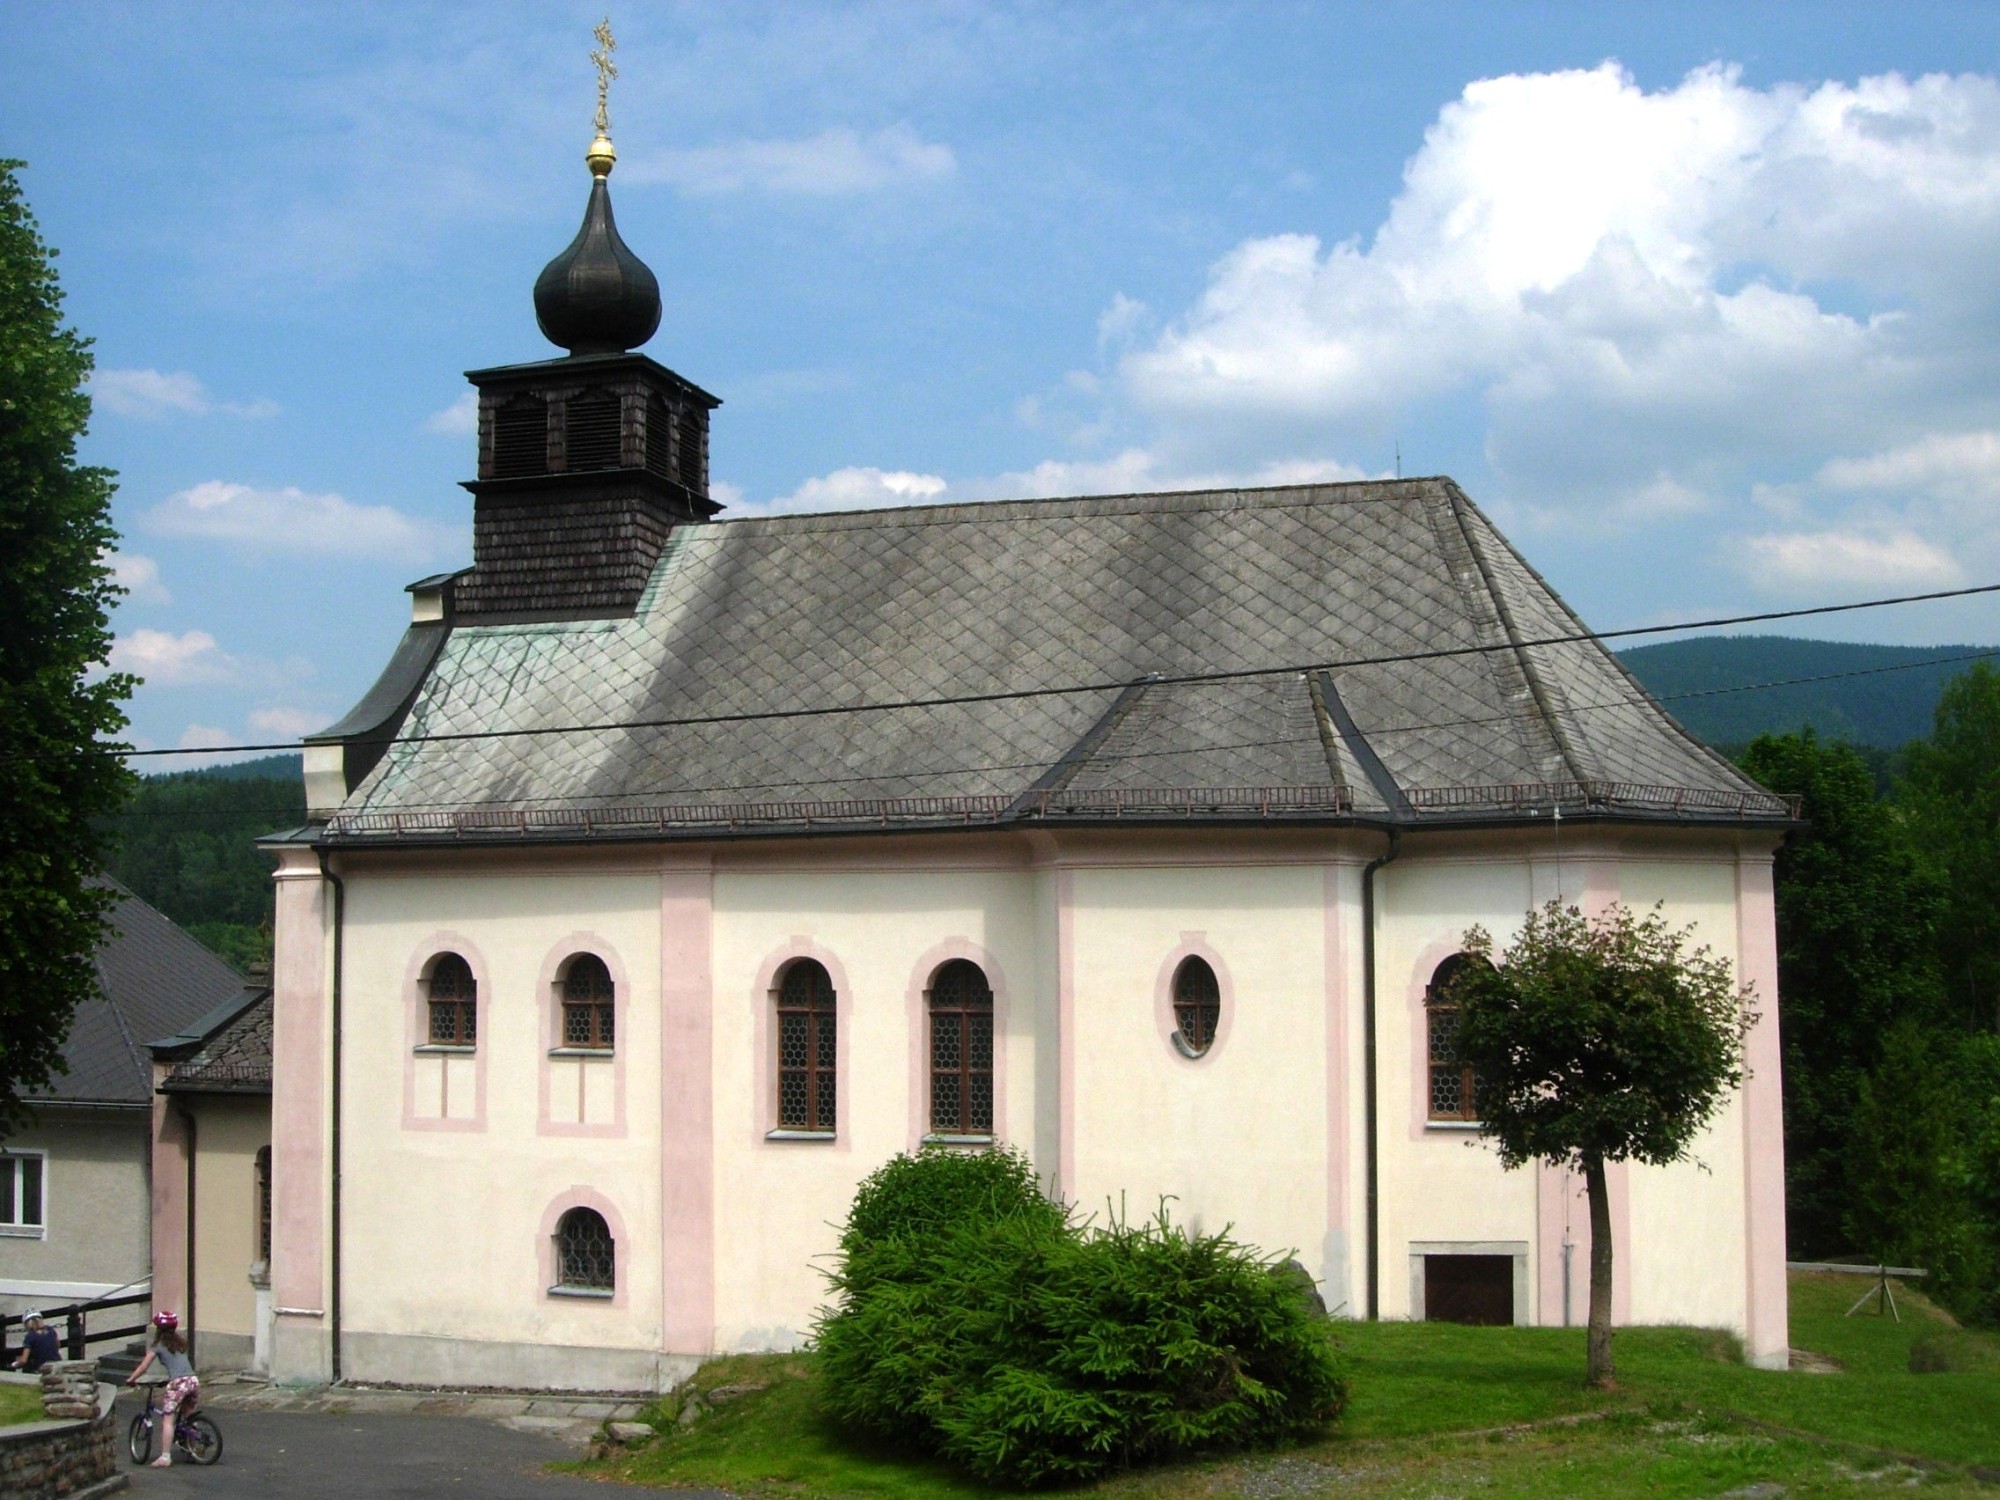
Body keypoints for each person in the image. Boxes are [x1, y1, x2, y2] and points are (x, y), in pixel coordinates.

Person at [125, 1311, 198, 1468]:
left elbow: (144, 1366)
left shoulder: (158, 1346)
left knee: (168, 1420)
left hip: (178, 1383)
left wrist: (132, 1379)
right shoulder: (181, 1343)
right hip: (192, 1380)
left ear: (159, 1329)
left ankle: (165, 1457)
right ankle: (194, 1449)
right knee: (188, 1417)